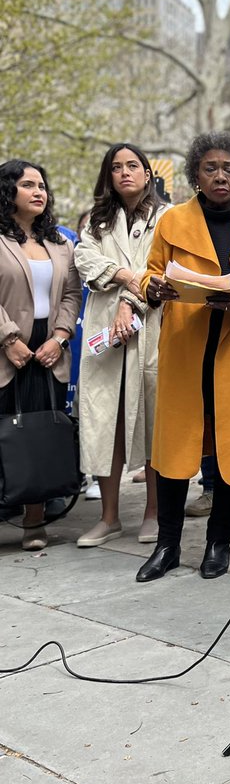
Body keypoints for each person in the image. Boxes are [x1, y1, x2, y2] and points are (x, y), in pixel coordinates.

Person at [136, 133, 230, 582]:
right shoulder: (172, 222)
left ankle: (218, 544)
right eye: (210, 168)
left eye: (229, 168)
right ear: (195, 176)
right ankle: (167, 546)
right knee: (175, 450)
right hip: (187, 349)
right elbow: (150, 273)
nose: (220, 176)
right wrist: (154, 287)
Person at [73, 144, 167, 547]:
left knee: (153, 418)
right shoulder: (95, 220)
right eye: (116, 167)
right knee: (103, 421)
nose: (125, 172)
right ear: (107, 175)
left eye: (133, 165)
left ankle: (154, 512)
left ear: (147, 173)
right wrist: (124, 275)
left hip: (150, 324)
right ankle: (109, 517)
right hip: (103, 330)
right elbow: (84, 258)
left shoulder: (167, 217)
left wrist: (130, 300)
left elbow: (161, 269)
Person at [0, 160, 81, 548]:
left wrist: (61, 335)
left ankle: (35, 522)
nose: (38, 192)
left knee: (38, 435)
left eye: (42, 185)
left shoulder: (60, 242)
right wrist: (7, 339)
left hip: (47, 351)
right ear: (8, 192)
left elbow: (71, 293)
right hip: (5, 349)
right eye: (28, 184)